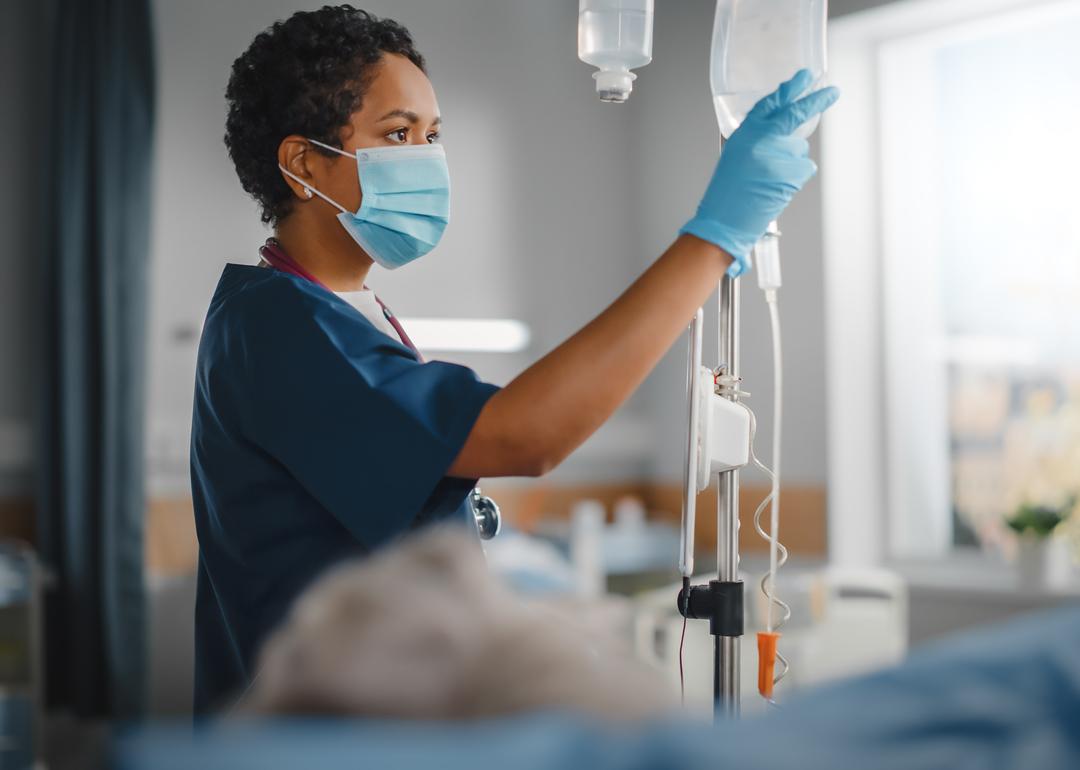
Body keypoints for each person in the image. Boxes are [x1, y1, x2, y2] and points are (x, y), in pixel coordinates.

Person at [191, 4, 838, 714]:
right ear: (304, 162)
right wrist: (712, 238)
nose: (427, 157)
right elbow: (522, 434)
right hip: (323, 731)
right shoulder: (279, 326)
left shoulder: (340, 312)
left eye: (433, 134)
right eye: (398, 133)